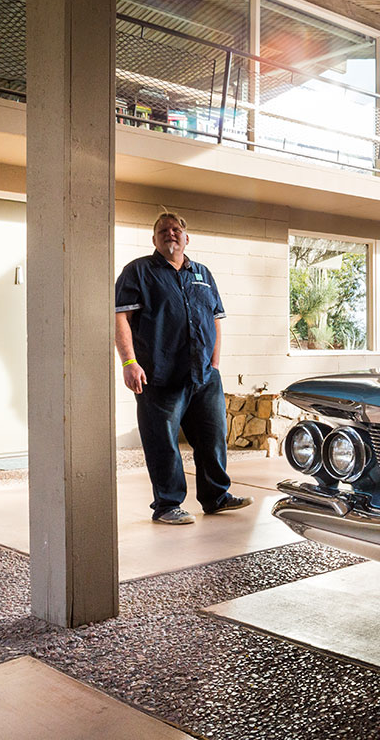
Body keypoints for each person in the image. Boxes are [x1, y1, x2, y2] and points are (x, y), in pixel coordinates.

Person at [114, 212, 253, 525]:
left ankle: (216, 497)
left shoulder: (202, 273)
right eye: (163, 230)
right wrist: (129, 361)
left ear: (187, 238)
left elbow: (216, 318)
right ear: (154, 239)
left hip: (204, 375)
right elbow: (120, 317)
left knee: (212, 438)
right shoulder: (138, 272)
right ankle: (167, 506)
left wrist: (215, 363)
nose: (170, 234)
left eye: (176, 229)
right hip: (159, 375)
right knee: (162, 442)